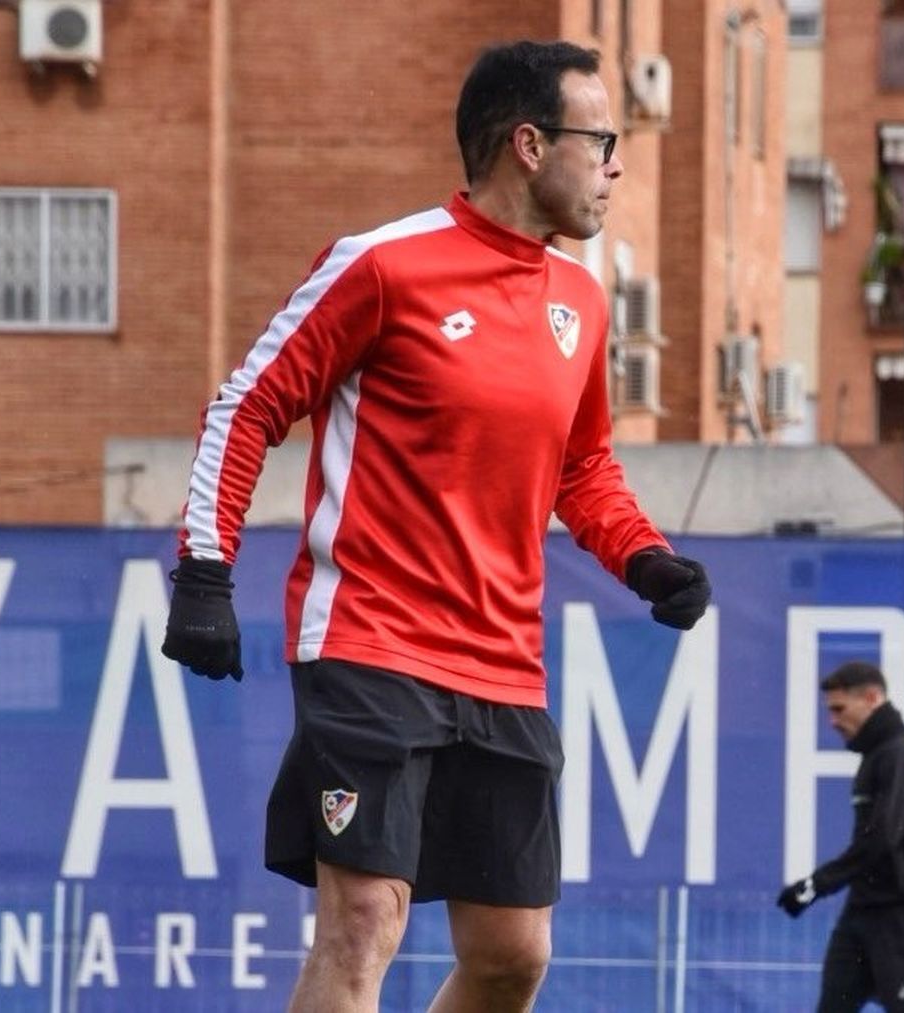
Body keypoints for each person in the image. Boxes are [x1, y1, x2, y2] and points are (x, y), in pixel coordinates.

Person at [158, 40, 711, 1013]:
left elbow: (582, 466)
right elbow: (245, 407)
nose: (617, 164)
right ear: (530, 145)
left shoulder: (581, 300)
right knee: (366, 915)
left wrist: (644, 556)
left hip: (501, 662)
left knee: (512, 954)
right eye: (603, 139)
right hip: (368, 644)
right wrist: (205, 573)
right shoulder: (381, 265)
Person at [777, 661, 904, 1013]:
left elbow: (883, 838)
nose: (833, 721)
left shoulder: (901, 754)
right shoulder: (876, 756)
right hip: (861, 912)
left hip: (901, 913)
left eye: (839, 709)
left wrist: (816, 884)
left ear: (872, 698)